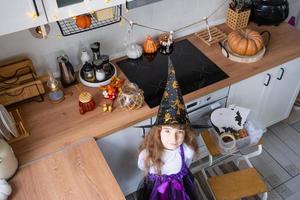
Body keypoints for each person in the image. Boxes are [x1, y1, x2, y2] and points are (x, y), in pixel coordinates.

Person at [136, 57, 200, 200]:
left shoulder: (187, 151)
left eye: (180, 132)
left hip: (180, 192)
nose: (173, 138)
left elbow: (186, 166)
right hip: (156, 193)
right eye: (167, 131)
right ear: (157, 132)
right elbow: (142, 167)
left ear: (186, 133)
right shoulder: (147, 155)